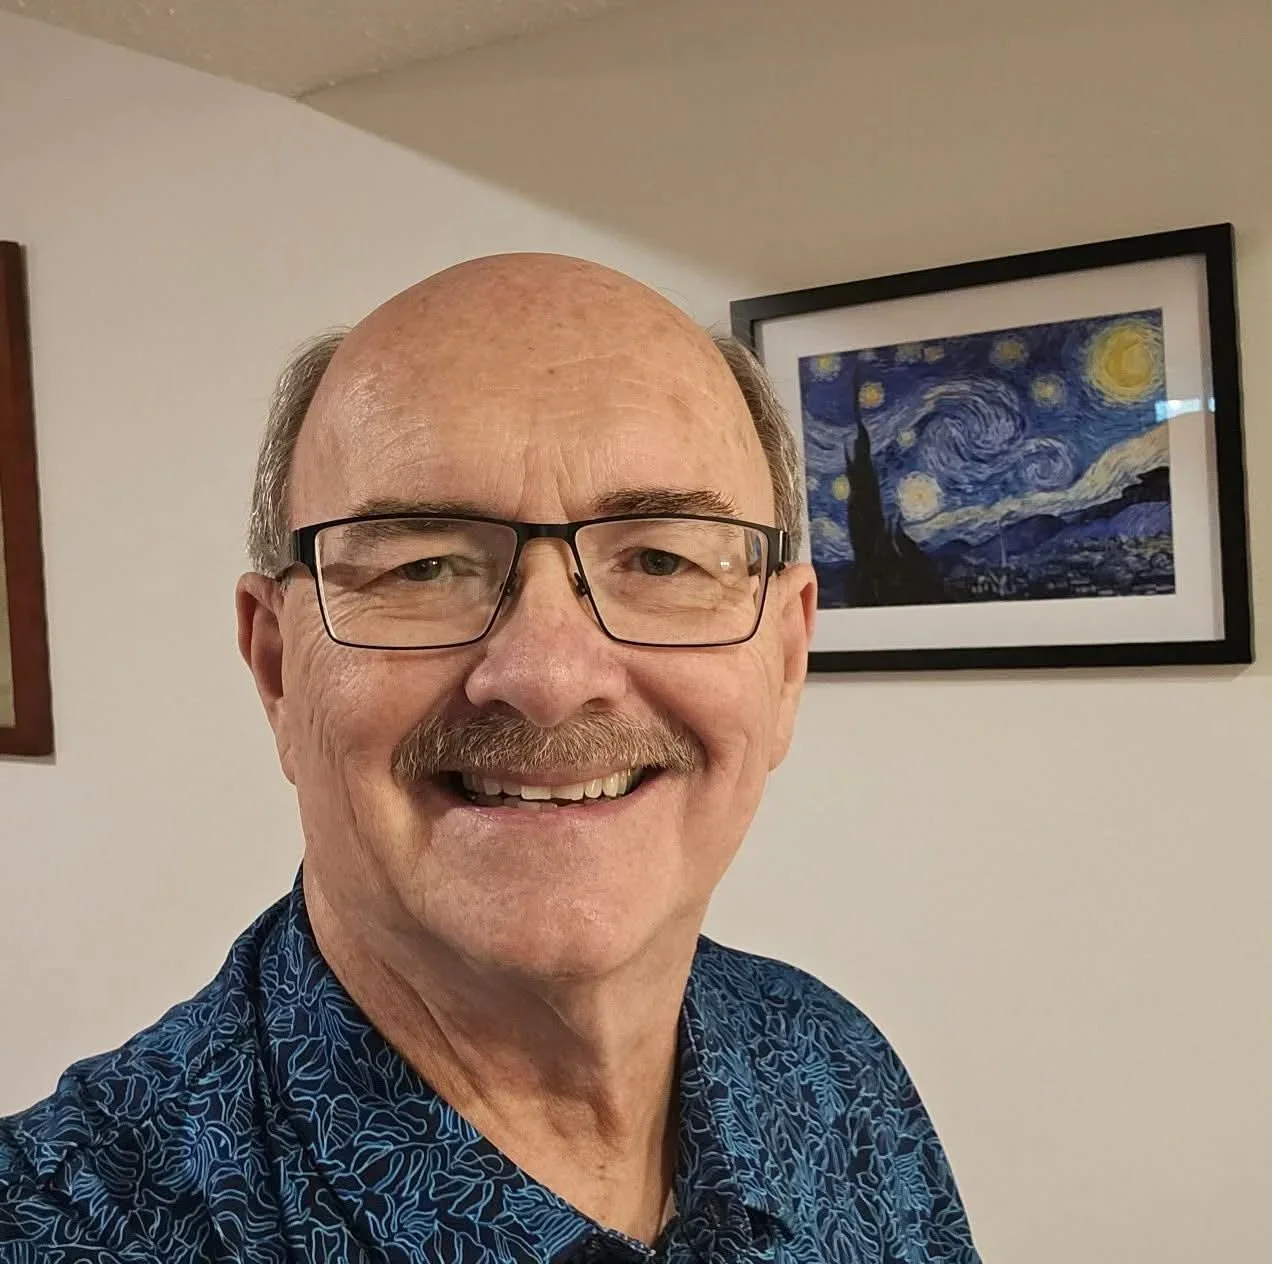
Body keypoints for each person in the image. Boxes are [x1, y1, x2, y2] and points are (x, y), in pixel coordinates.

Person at [0, 254, 979, 1262]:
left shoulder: (836, 1069)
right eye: (421, 566)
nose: (550, 675)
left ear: (786, 660)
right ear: (279, 669)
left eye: (662, 559)